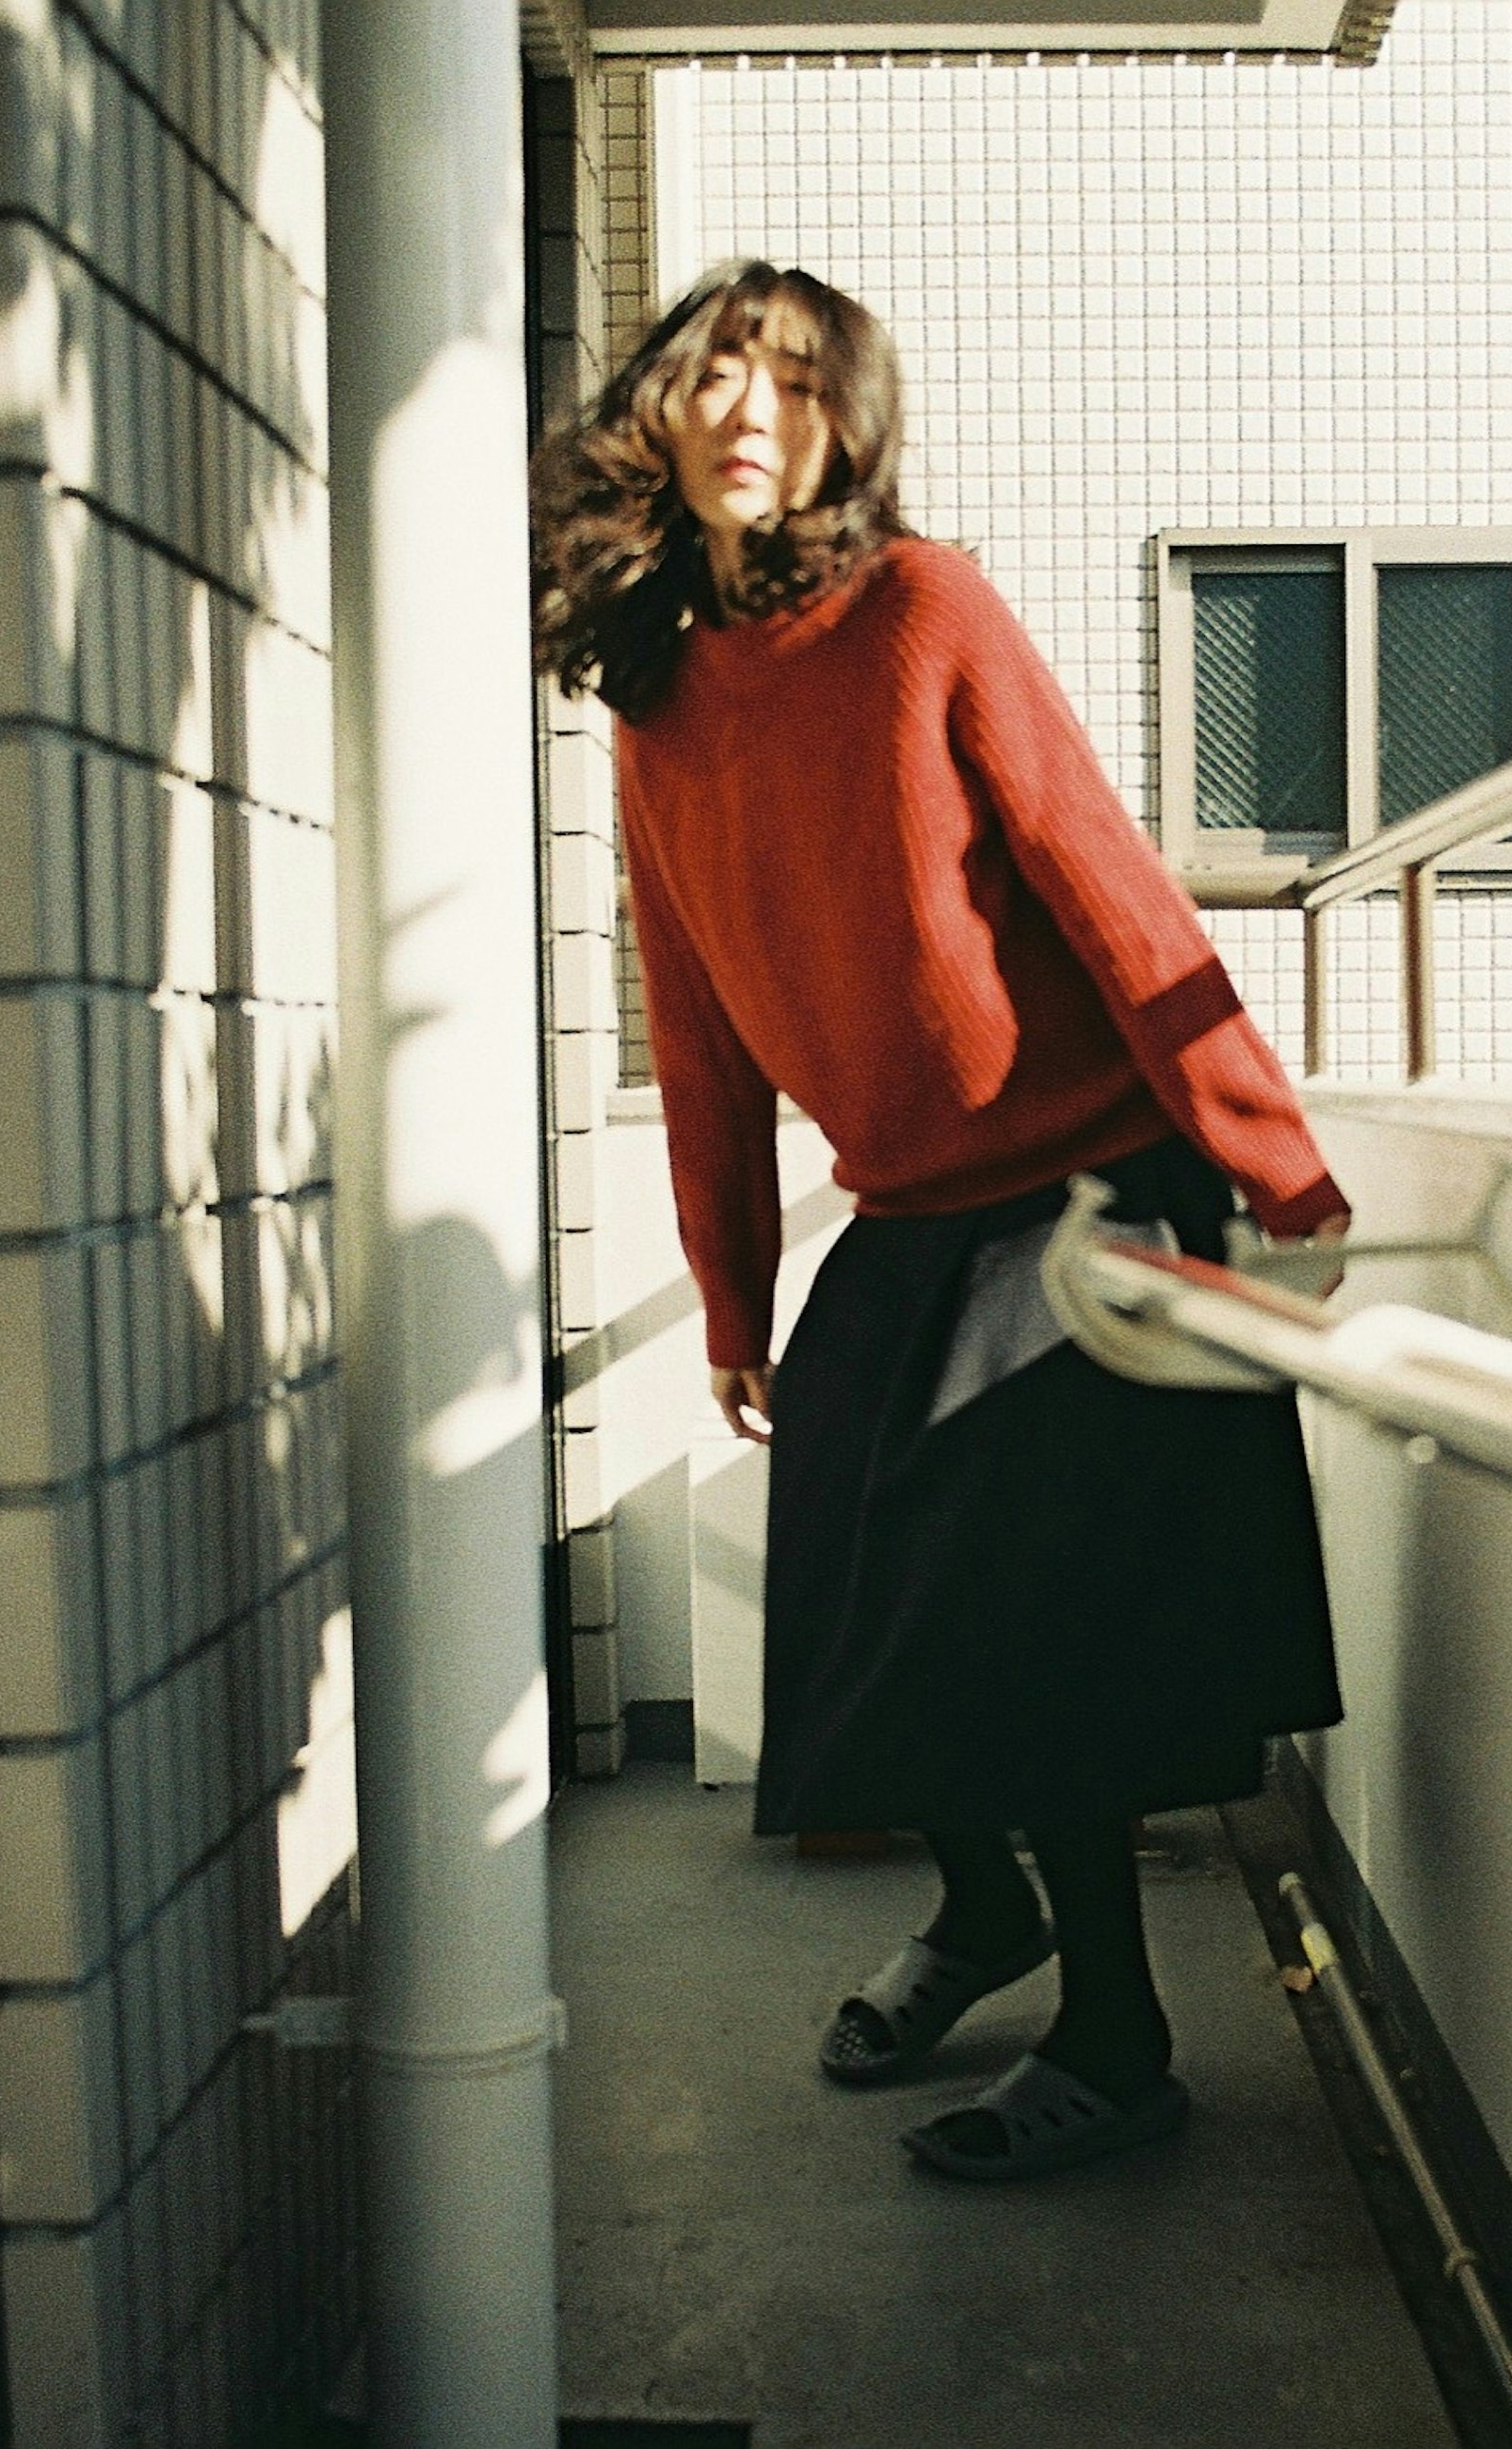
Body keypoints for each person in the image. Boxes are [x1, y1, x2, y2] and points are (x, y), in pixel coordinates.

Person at [528, 261, 1353, 2183]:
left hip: (1084, 1192)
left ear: (846, 430)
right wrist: (733, 1286)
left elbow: (1110, 882)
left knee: (1022, 1624)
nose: (750, 409)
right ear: (658, 413)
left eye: (797, 384)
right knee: (840, 1584)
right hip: (908, 1207)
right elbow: (703, 1019)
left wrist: (1277, 1163)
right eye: (716, 373)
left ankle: (1123, 2034)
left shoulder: (924, 607)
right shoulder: (658, 702)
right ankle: (990, 1909)